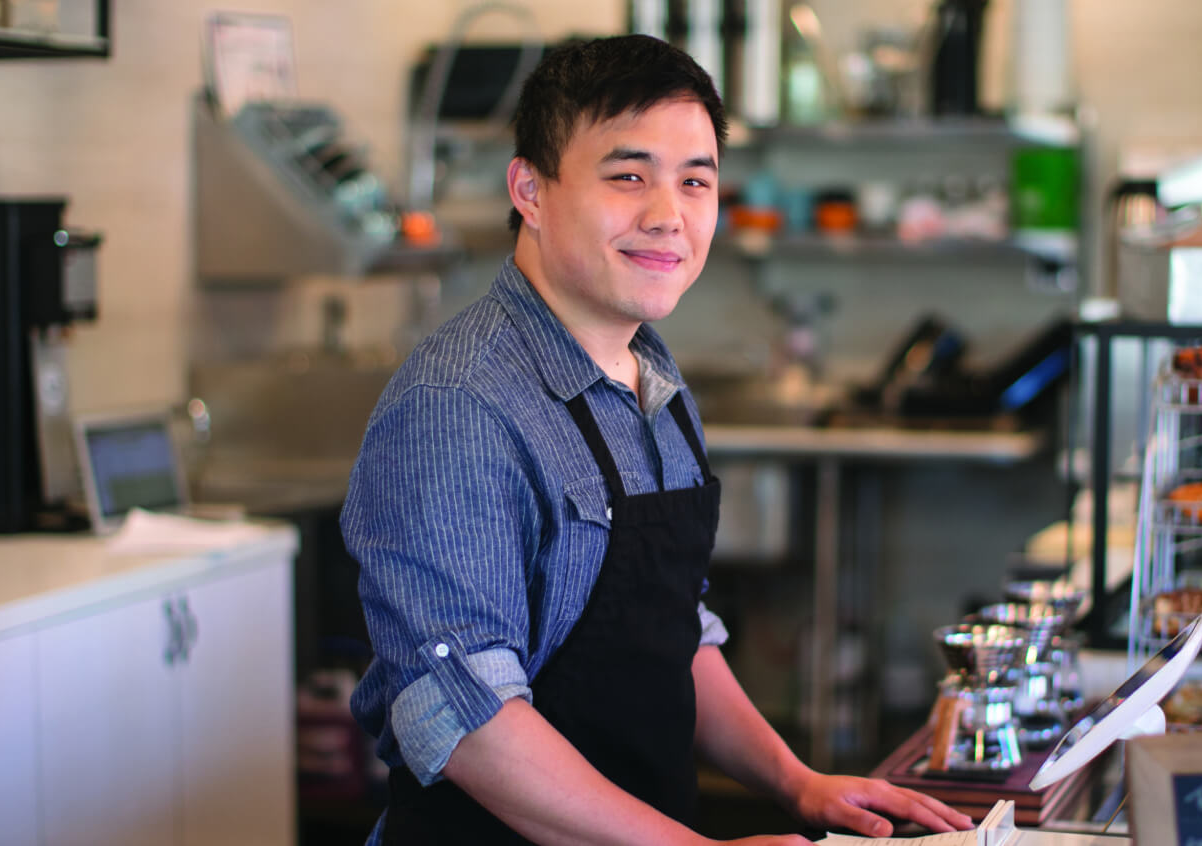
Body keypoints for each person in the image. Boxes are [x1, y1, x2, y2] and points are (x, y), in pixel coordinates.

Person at [343, 34, 973, 846]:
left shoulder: (653, 378)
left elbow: (680, 630)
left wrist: (797, 782)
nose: (667, 216)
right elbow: (465, 717)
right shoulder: (457, 405)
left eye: (696, 182)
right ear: (530, 189)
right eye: (628, 176)